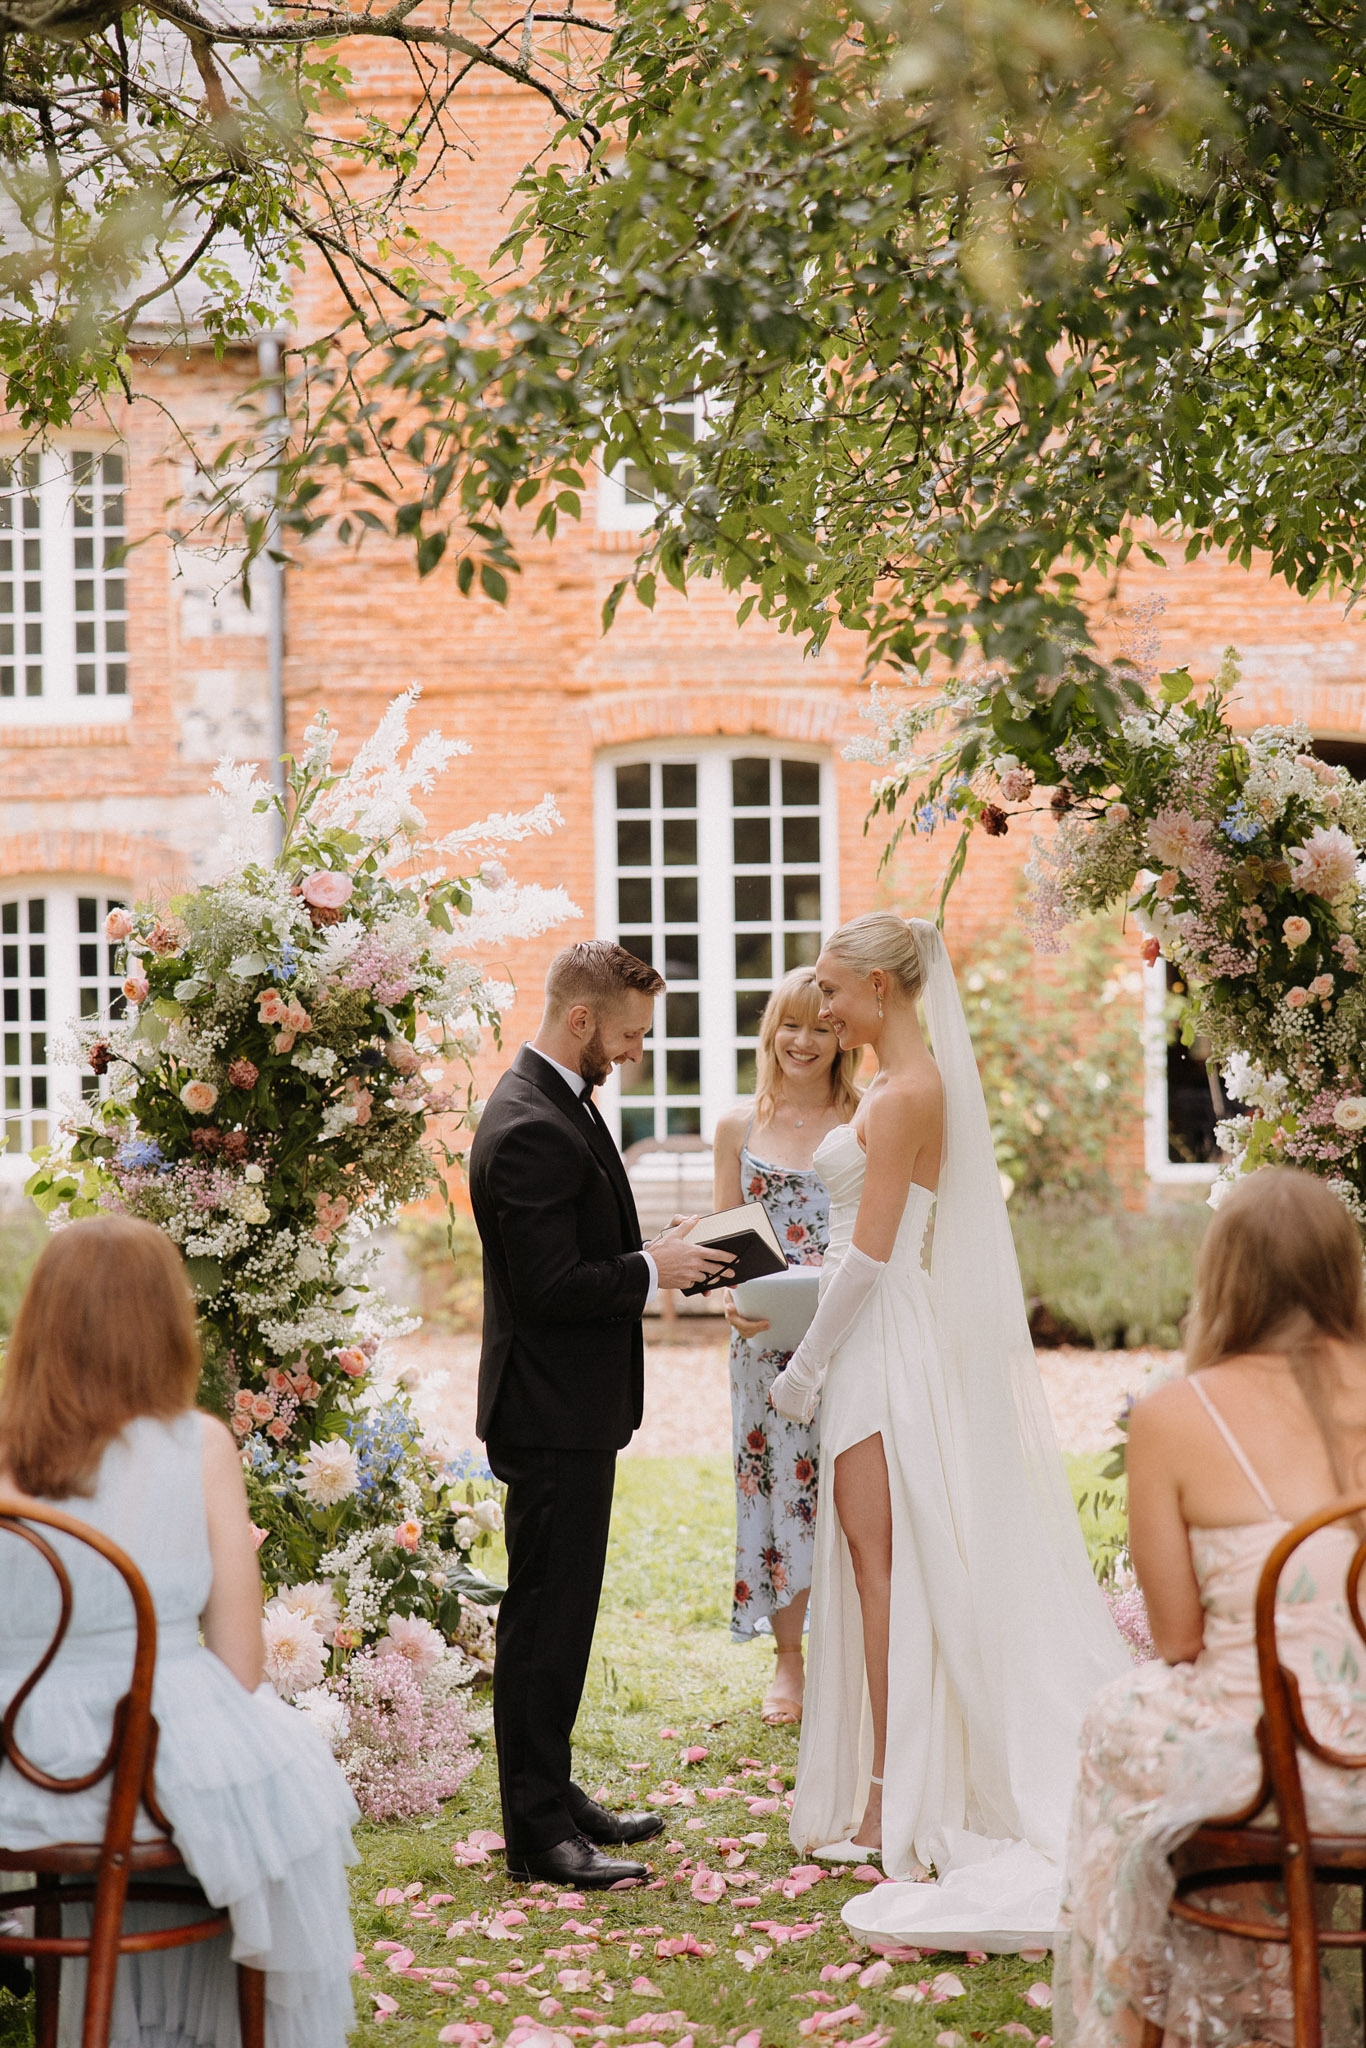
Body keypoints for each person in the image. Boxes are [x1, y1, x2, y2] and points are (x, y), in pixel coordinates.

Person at [768, 911, 1128, 1949]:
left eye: (834, 989)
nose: (822, 1006)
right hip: (869, 1331)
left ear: (883, 990)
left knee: (883, 1564)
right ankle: (884, 1777)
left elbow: (873, 1253)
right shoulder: (889, 1086)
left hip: (879, 1342)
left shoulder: (908, 1092)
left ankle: (894, 1793)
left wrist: (805, 1363)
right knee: (874, 1558)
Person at [0, 1213, 359, 2048]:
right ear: (166, 1322)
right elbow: (238, 1663)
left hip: (13, 1767)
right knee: (274, 1796)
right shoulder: (197, 1444)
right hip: (143, 1773)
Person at [1056, 1167, 1366, 2048]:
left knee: (1121, 1725)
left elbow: (1179, 1637)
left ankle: (1150, 2023)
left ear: (1225, 1273)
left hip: (1267, 1766)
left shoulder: (1175, 1414)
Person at [469, 940, 731, 1888]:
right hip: (548, 1413)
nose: (635, 1051)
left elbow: (576, 1249)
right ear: (580, 1020)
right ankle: (537, 1833)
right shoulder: (532, 1121)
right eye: (628, 1034)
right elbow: (548, 1288)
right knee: (543, 1618)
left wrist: (652, 1248)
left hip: (567, 1408)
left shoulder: (553, 1102)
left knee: (563, 1612)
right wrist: (653, 1269)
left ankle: (553, 1788)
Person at [712, 966, 860, 1724]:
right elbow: (724, 1247)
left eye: (823, 1026)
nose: (804, 1041)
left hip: (852, 1336)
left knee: (847, 1492)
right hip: (764, 1348)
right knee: (776, 1498)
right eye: (790, 1025)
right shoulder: (738, 1127)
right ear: (772, 1031)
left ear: (844, 1035)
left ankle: (855, 1654)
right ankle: (791, 1664)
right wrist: (731, 1299)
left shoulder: (866, 1116)